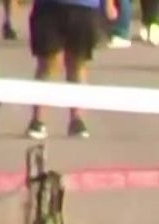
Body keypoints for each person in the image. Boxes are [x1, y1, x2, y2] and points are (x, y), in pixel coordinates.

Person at [27, 0, 116, 139]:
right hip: (48, 7)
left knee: (78, 63)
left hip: (84, 7)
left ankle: (77, 120)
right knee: (47, 64)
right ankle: (37, 120)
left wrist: (109, 4)